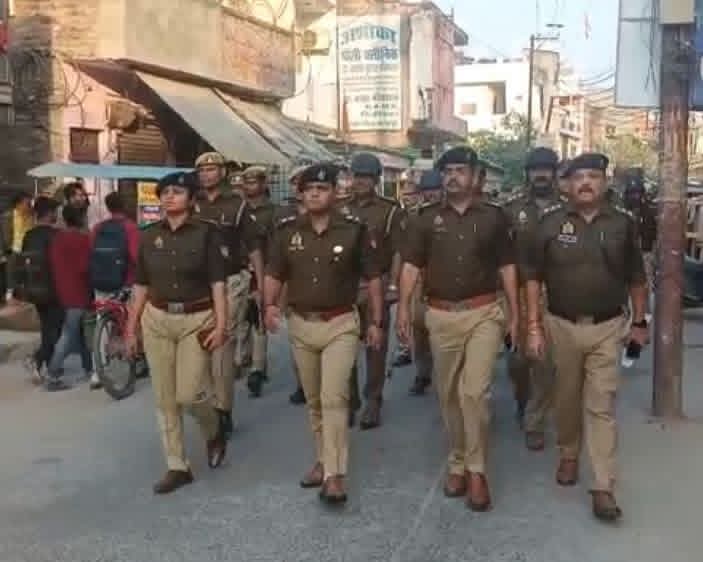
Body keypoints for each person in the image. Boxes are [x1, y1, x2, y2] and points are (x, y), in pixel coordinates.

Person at [525, 153, 650, 522]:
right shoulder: (549, 223)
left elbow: (637, 278)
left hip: (608, 327)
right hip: (560, 325)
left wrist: (639, 322)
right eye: (578, 177)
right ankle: (568, 452)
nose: (585, 183)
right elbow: (532, 278)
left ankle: (602, 485)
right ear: (567, 185)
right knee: (565, 399)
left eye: (593, 176)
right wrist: (533, 326)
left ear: (604, 182)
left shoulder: (623, 223)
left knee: (601, 404)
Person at [397, 146, 519, 512]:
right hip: (440, 314)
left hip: (484, 313)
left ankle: (477, 470)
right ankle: (457, 460)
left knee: (474, 393)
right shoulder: (424, 219)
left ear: (476, 176)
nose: (452, 176)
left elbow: (507, 267)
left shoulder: (495, 217)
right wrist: (403, 310)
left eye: (460, 170)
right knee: (448, 394)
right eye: (448, 171)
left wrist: (515, 313)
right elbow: (410, 267)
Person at [263, 162, 384, 504]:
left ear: (335, 193)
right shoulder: (286, 231)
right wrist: (269, 305)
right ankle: (322, 459)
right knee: (314, 399)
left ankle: (335, 474)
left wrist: (376, 321)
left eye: (322, 188)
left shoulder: (354, 230)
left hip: (340, 323)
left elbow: (373, 278)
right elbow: (275, 272)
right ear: (300, 194)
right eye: (309, 189)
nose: (315, 194)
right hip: (302, 324)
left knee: (334, 397)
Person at [125, 171, 228, 495]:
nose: (169, 196)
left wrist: (221, 325)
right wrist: (130, 328)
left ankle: (214, 429)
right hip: (156, 319)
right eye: (165, 191)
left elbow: (218, 283)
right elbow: (141, 285)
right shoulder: (148, 236)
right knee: (165, 397)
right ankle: (177, 465)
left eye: (177, 191)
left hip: (196, 319)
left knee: (189, 394)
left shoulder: (207, 234)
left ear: (192, 198)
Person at [193, 152, 265, 440]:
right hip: (197, 284)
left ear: (222, 172)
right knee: (200, 344)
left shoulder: (237, 205)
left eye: (211, 169)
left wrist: (260, 286)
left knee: (222, 342)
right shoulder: (192, 202)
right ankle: (208, 398)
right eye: (202, 170)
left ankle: (223, 409)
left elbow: (254, 247)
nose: (206, 174)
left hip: (231, 279)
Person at [502, 147, 561, 450]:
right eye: (535, 170)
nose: (541, 175)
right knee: (517, 360)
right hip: (517, 293)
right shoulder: (511, 209)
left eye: (546, 169)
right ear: (528, 174)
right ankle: (522, 400)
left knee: (545, 361)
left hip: (556, 293)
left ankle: (535, 421)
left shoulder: (567, 208)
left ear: (554, 173)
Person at [346, 152, 405, 430]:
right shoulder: (339, 208)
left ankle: (373, 400)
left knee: (375, 345)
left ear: (376, 179)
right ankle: (349, 399)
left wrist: (393, 285)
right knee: (344, 344)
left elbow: (398, 251)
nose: (361, 182)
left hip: (376, 284)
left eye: (366, 177)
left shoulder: (390, 211)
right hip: (345, 284)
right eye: (357, 176)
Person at [45, 205, 95, 391]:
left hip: (62, 290)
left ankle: (88, 367)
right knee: (69, 334)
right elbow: (86, 267)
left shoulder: (57, 239)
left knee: (79, 332)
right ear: (81, 218)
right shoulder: (83, 239)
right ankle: (52, 374)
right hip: (79, 291)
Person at [241, 165, 278, 398]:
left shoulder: (273, 212)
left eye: (253, 182)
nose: (248, 186)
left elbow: (276, 245)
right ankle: (244, 359)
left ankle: (257, 367)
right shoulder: (239, 209)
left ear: (264, 184)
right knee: (241, 318)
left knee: (258, 318)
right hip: (238, 270)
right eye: (246, 182)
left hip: (262, 270)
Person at [19, 196, 63, 384]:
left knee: (47, 328)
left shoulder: (28, 235)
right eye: (55, 212)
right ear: (49, 213)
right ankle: (37, 360)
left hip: (34, 290)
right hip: (53, 289)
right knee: (56, 330)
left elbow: (23, 262)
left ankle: (49, 366)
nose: (57, 215)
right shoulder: (55, 235)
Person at [406, 169, 441, 396]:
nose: (431, 194)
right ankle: (423, 373)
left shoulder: (452, 214)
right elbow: (404, 252)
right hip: (419, 279)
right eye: (427, 190)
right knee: (419, 332)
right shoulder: (414, 217)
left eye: (435, 190)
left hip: (444, 279)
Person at [90, 192, 140, 290]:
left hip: (100, 282)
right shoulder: (131, 227)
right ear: (124, 205)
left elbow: (91, 251)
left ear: (108, 207)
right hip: (126, 284)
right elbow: (136, 257)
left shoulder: (97, 228)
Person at [2, 191, 34, 302]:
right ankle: (10, 293)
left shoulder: (32, 215)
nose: (30, 207)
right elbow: (4, 236)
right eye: (27, 204)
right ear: (18, 204)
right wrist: (7, 249)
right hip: (14, 249)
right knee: (11, 270)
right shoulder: (8, 216)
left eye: (30, 204)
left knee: (28, 273)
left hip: (29, 250)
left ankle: (25, 294)